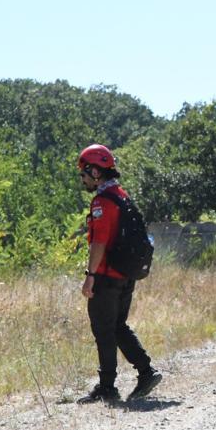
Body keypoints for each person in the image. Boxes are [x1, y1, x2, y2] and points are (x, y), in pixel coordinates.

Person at [76, 144, 162, 404]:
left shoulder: (102, 202)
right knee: (117, 326)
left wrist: (90, 274)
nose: (82, 179)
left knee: (104, 329)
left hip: (107, 276)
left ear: (96, 172)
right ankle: (146, 372)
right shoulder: (122, 195)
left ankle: (107, 388)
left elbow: (99, 243)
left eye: (84, 173)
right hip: (126, 274)